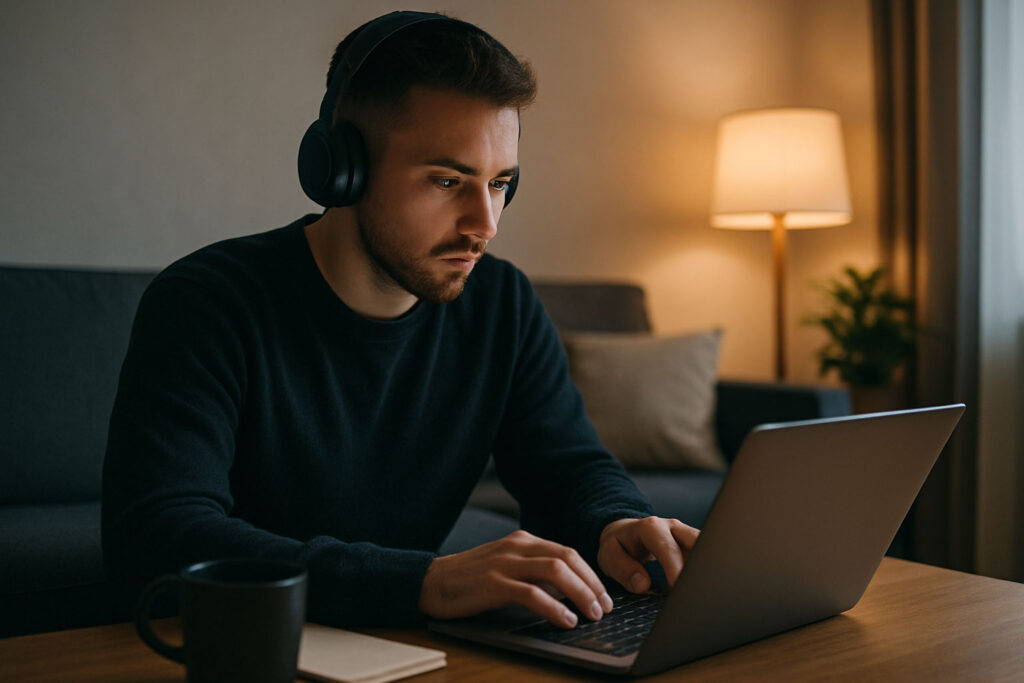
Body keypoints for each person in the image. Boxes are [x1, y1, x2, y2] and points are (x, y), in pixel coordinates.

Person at [102, 11, 699, 630]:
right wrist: (421, 581)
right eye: (447, 180)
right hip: (238, 642)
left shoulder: (503, 303)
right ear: (341, 169)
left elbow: (568, 467)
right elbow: (159, 535)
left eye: (500, 182)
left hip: (399, 641)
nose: (485, 224)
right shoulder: (206, 302)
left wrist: (617, 522)